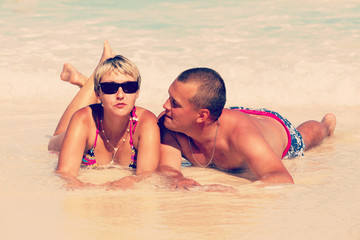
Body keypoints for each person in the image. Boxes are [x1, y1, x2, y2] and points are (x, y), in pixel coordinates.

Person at [157, 67, 336, 187]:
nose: (165, 105)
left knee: (303, 138)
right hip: (228, 116)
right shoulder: (170, 124)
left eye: (174, 103)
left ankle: (326, 125)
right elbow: (168, 168)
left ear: (202, 115)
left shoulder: (242, 137)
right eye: (169, 97)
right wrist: (179, 180)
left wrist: (238, 192)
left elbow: (281, 177)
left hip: (276, 129)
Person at [48, 41, 160, 189]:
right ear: (98, 93)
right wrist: (84, 187)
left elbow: (147, 174)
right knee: (53, 144)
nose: (120, 95)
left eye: (129, 87)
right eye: (109, 88)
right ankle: (96, 71)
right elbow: (64, 172)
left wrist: (131, 181)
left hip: (102, 105)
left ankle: (85, 80)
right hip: (89, 119)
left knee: (108, 101)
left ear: (137, 92)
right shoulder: (83, 120)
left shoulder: (146, 122)